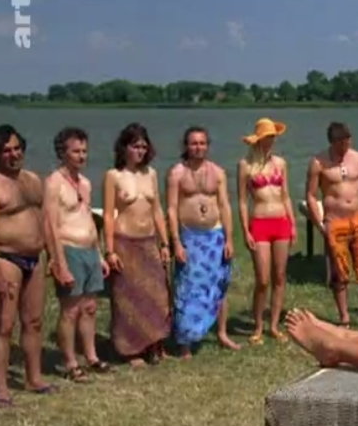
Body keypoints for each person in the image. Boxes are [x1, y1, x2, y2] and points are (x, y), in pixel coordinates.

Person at [0, 125, 57, 408]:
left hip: (34, 258)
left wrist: (53, 256)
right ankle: (0, 389)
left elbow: (45, 221)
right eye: (6, 150)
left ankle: (34, 378)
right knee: (4, 325)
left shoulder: (32, 180)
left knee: (34, 322)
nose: (14, 154)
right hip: (5, 259)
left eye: (17, 148)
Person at [43, 127, 112, 382]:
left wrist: (99, 254)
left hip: (90, 250)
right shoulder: (54, 182)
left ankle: (91, 356)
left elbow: (88, 219)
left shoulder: (85, 183)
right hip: (68, 249)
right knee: (70, 310)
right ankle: (70, 362)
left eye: (84, 151)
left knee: (90, 307)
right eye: (76, 151)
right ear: (63, 153)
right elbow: (49, 224)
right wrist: (58, 261)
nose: (82, 156)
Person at [166, 126, 240, 357]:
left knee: (218, 285)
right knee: (187, 287)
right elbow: (171, 209)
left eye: (202, 143)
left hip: (214, 235)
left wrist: (229, 239)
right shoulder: (177, 173)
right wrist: (176, 242)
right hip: (190, 236)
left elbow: (225, 206)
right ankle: (185, 341)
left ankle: (222, 333)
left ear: (207, 145)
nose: (198, 147)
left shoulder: (217, 172)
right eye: (193, 143)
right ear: (186, 146)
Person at [306, 122, 358, 330]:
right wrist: (320, 224)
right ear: (333, 142)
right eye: (341, 143)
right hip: (335, 221)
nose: (345, 146)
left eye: (348, 141)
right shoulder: (319, 162)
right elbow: (311, 196)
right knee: (339, 273)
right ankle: (344, 318)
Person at [104, 123, 173, 366]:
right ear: (124, 148)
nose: (140, 151)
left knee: (158, 294)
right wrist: (109, 251)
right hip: (125, 241)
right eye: (135, 146)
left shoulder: (151, 174)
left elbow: (157, 210)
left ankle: (155, 342)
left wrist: (165, 244)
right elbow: (108, 215)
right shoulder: (114, 176)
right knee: (128, 297)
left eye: (143, 147)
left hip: (149, 241)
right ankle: (131, 349)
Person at [236, 117, 297, 343]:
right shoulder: (245, 165)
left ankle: (274, 325)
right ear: (258, 139)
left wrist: (292, 224)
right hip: (260, 222)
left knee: (279, 276)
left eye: (273, 137)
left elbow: (286, 195)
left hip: (281, 221)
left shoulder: (280, 163)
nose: (271, 141)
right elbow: (243, 201)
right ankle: (258, 325)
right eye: (267, 137)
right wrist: (246, 230)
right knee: (262, 279)